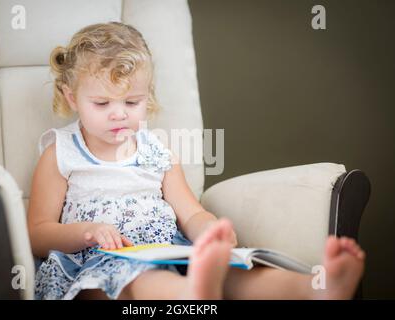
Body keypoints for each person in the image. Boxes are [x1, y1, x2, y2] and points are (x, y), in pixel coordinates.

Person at [28, 22, 365, 300]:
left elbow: (189, 211)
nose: (119, 114)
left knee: (236, 273)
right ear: (72, 98)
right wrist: (87, 233)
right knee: (139, 283)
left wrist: (208, 231)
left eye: (132, 101)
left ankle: (313, 289)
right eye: (102, 104)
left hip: (168, 251)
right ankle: (193, 294)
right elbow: (38, 233)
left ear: (149, 96)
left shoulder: (157, 151)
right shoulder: (61, 152)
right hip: (99, 263)